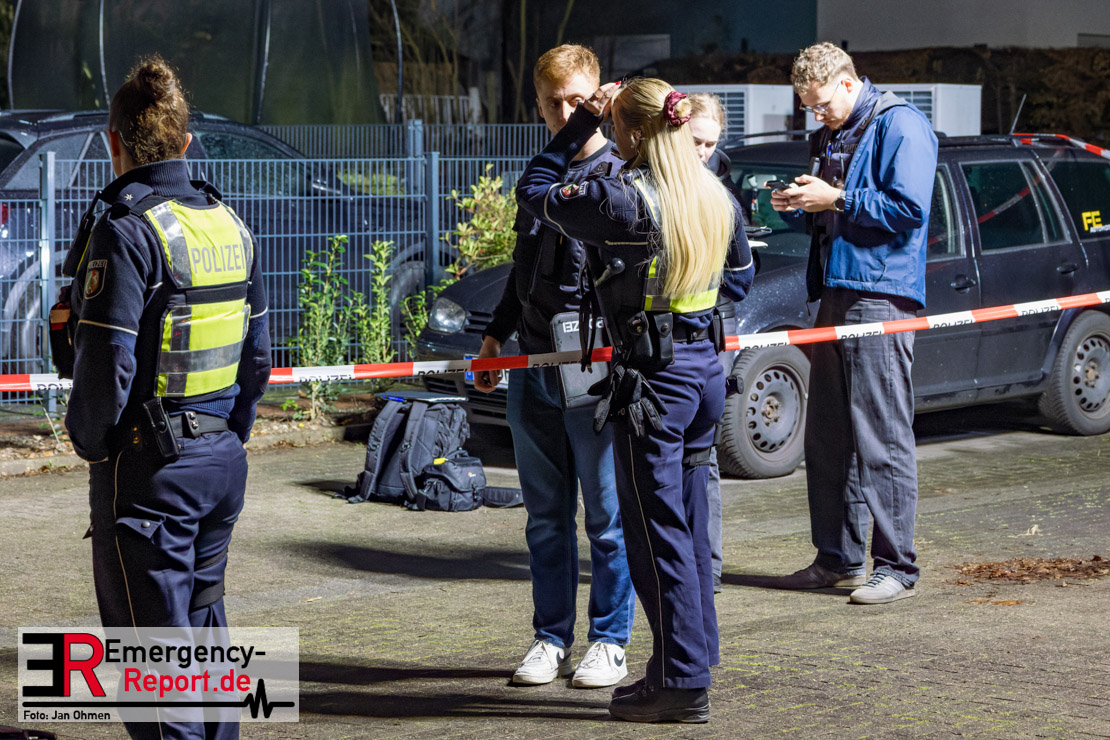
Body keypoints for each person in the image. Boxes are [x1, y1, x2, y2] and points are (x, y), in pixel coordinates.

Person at [516, 78, 755, 723]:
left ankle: (680, 683)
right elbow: (741, 280)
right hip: (705, 373)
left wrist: (580, 124)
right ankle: (694, 655)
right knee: (691, 524)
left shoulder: (620, 200)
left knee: (656, 534)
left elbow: (534, 189)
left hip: (655, 381)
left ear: (632, 131)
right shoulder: (715, 195)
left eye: (616, 125)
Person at [63, 56, 270, 738]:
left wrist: (94, 447)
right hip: (220, 464)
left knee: (154, 670)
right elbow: (258, 362)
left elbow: (105, 368)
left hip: (150, 475)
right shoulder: (231, 226)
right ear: (186, 142)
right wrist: (227, 433)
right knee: (206, 640)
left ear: (114, 141)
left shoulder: (126, 231)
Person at [475, 44, 636, 689]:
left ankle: (610, 640)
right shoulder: (539, 179)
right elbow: (523, 269)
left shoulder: (621, 176)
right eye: (552, 103)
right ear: (537, 106)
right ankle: (550, 638)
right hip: (533, 365)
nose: (565, 113)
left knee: (607, 519)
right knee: (544, 519)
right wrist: (495, 337)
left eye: (577, 100)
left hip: (595, 371)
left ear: (598, 98)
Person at [769, 43, 937, 604]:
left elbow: (909, 209)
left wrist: (836, 199)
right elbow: (836, 206)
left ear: (848, 82)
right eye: (808, 108)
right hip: (836, 291)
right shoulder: (831, 133)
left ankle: (897, 568)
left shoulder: (901, 125)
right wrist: (803, 202)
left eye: (821, 104)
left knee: (882, 437)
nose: (816, 115)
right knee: (828, 436)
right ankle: (837, 560)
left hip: (881, 296)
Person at [688, 92, 736, 593]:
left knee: (705, 461)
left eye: (710, 144)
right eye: (695, 141)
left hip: (705, 338)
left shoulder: (718, 187)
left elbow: (739, 277)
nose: (703, 152)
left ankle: (709, 568)